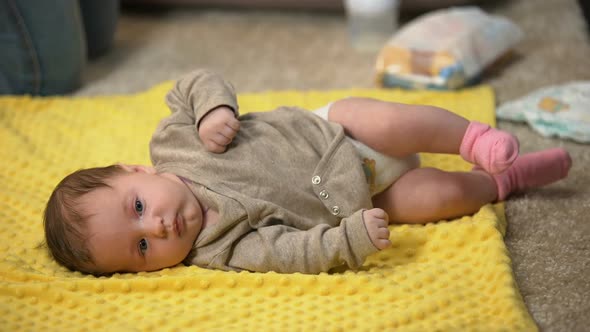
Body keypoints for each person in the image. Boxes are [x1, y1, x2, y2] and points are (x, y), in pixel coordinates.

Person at [43, 69, 572, 276]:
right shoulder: (219, 250)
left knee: (393, 120)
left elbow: (196, 81)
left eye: (136, 207)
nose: (156, 227)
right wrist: (348, 239)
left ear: (136, 170)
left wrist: (212, 111)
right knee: (436, 199)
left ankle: (472, 140)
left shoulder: (176, 142)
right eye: (140, 248)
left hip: (331, 131)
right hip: (365, 195)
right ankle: (505, 181)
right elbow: (290, 252)